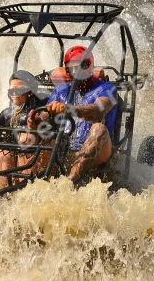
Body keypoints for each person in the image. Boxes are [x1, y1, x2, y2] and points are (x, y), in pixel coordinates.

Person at [27, 45, 118, 183]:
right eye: (72, 68)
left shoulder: (107, 89)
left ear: (91, 67)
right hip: (63, 151)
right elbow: (46, 116)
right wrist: (36, 121)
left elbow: (98, 110)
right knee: (37, 133)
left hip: (98, 153)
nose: (77, 72)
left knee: (99, 129)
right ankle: (25, 179)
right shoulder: (61, 90)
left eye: (82, 66)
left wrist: (70, 109)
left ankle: (68, 183)